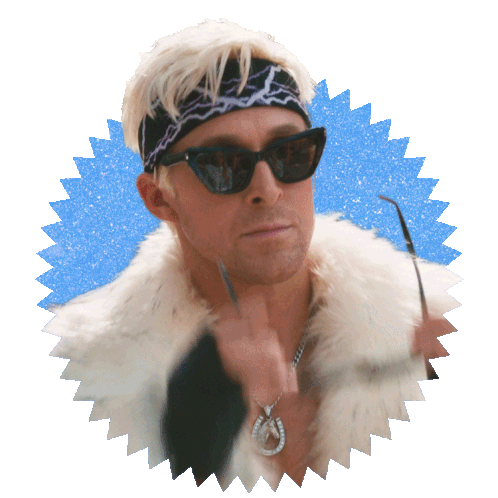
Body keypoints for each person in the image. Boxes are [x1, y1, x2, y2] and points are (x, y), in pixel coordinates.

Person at [44, 19, 460, 490]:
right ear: (159, 199)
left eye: (290, 153)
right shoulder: (77, 379)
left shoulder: (443, 329)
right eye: (223, 164)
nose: (268, 188)